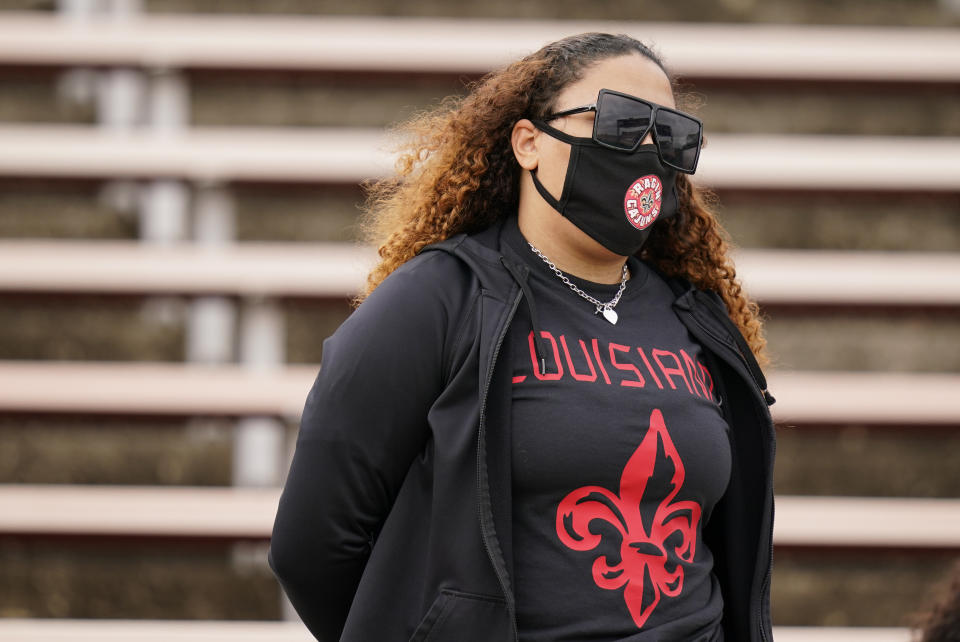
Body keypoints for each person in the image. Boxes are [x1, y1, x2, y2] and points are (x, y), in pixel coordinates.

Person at [269, 32, 776, 642]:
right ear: (529, 142)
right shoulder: (436, 298)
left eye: (671, 136)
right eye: (619, 121)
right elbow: (312, 545)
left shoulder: (699, 318)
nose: (646, 148)